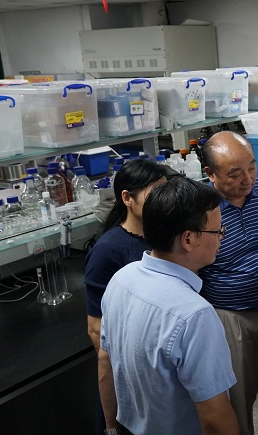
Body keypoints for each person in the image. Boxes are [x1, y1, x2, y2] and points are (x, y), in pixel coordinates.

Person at [98, 176, 239, 435]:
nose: (222, 238)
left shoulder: (122, 279)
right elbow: (215, 419)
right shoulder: (194, 315)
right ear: (188, 239)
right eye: (218, 231)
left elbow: (105, 362)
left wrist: (110, 428)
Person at [199, 131, 258, 435]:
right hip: (231, 319)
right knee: (237, 401)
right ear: (210, 174)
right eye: (235, 173)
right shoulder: (199, 210)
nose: (248, 179)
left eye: (252, 167)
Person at [84, 159, 169, 434]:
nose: (163, 200)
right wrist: (127, 371)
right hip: (131, 375)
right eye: (154, 193)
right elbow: (96, 328)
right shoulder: (108, 250)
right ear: (127, 198)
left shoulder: (162, 236)